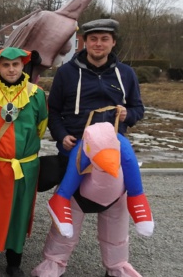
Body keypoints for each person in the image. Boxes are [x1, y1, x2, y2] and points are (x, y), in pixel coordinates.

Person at [32, 18, 146, 277]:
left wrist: (129, 114)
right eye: (93, 38)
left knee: (116, 214)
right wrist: (61, 136)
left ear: (113, 42)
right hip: (77, 154)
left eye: (104, 39)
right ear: (84, 42)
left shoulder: (126, 74)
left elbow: (139, 109)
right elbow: (54, 111)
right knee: (70, 209)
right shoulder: (67, 73)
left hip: (113, 156)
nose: (98, 44)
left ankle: (117, 265)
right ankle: (54, 262)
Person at [0, 48, 48, 277]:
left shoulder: (37, 95)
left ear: (23, 66)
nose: (11, 69)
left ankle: (14, 262)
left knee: (19, 213)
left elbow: (40, 127)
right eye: (6, 65)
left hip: (25, 167)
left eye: (16, 64)